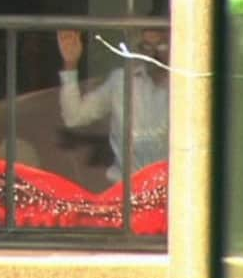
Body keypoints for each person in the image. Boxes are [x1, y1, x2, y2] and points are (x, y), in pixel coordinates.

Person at [56, 27, 170, 182]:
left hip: (173, 195)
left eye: (162, 45)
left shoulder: (190, 90)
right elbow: (74, 117)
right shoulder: (121, 81)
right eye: (146, 47)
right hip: (124, 193)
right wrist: (70, 64)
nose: (153, 54)